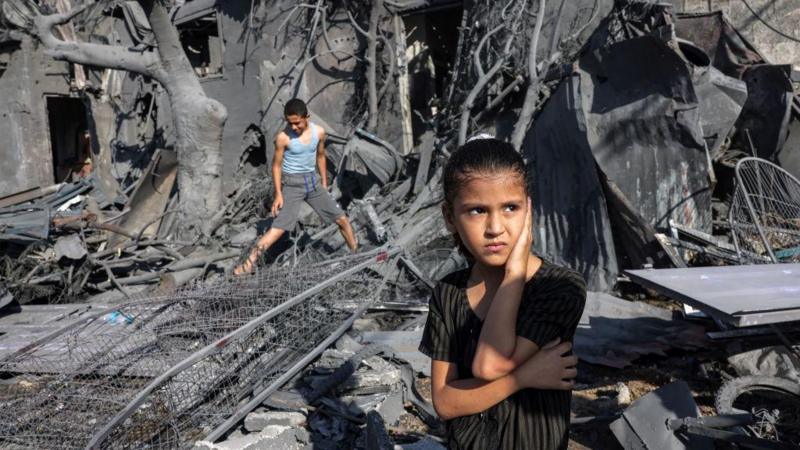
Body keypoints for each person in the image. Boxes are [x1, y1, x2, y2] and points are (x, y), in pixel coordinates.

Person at [418, 138, 586, 449]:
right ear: (450, 216)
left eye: (510, 207)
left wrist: (515, 275)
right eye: (477, 210)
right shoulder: (449, 293)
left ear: (528, 209)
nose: (495, 227)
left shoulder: (559, 287)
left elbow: (488, 365)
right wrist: (521, 378)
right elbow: (444, 402)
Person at [234, 99, 358, 275]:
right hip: (293, 185)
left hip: (313, 183)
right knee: (278, 229)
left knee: (342, 220)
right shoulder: (283, 138)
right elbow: (276, 166)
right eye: (290, 123)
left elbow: (321, 156)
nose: (294, 127)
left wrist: (323, 181)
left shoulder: (319, 133)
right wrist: (278, 194)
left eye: (297, 123)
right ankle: (246, 266)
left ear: (306, 117)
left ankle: (356, 255)